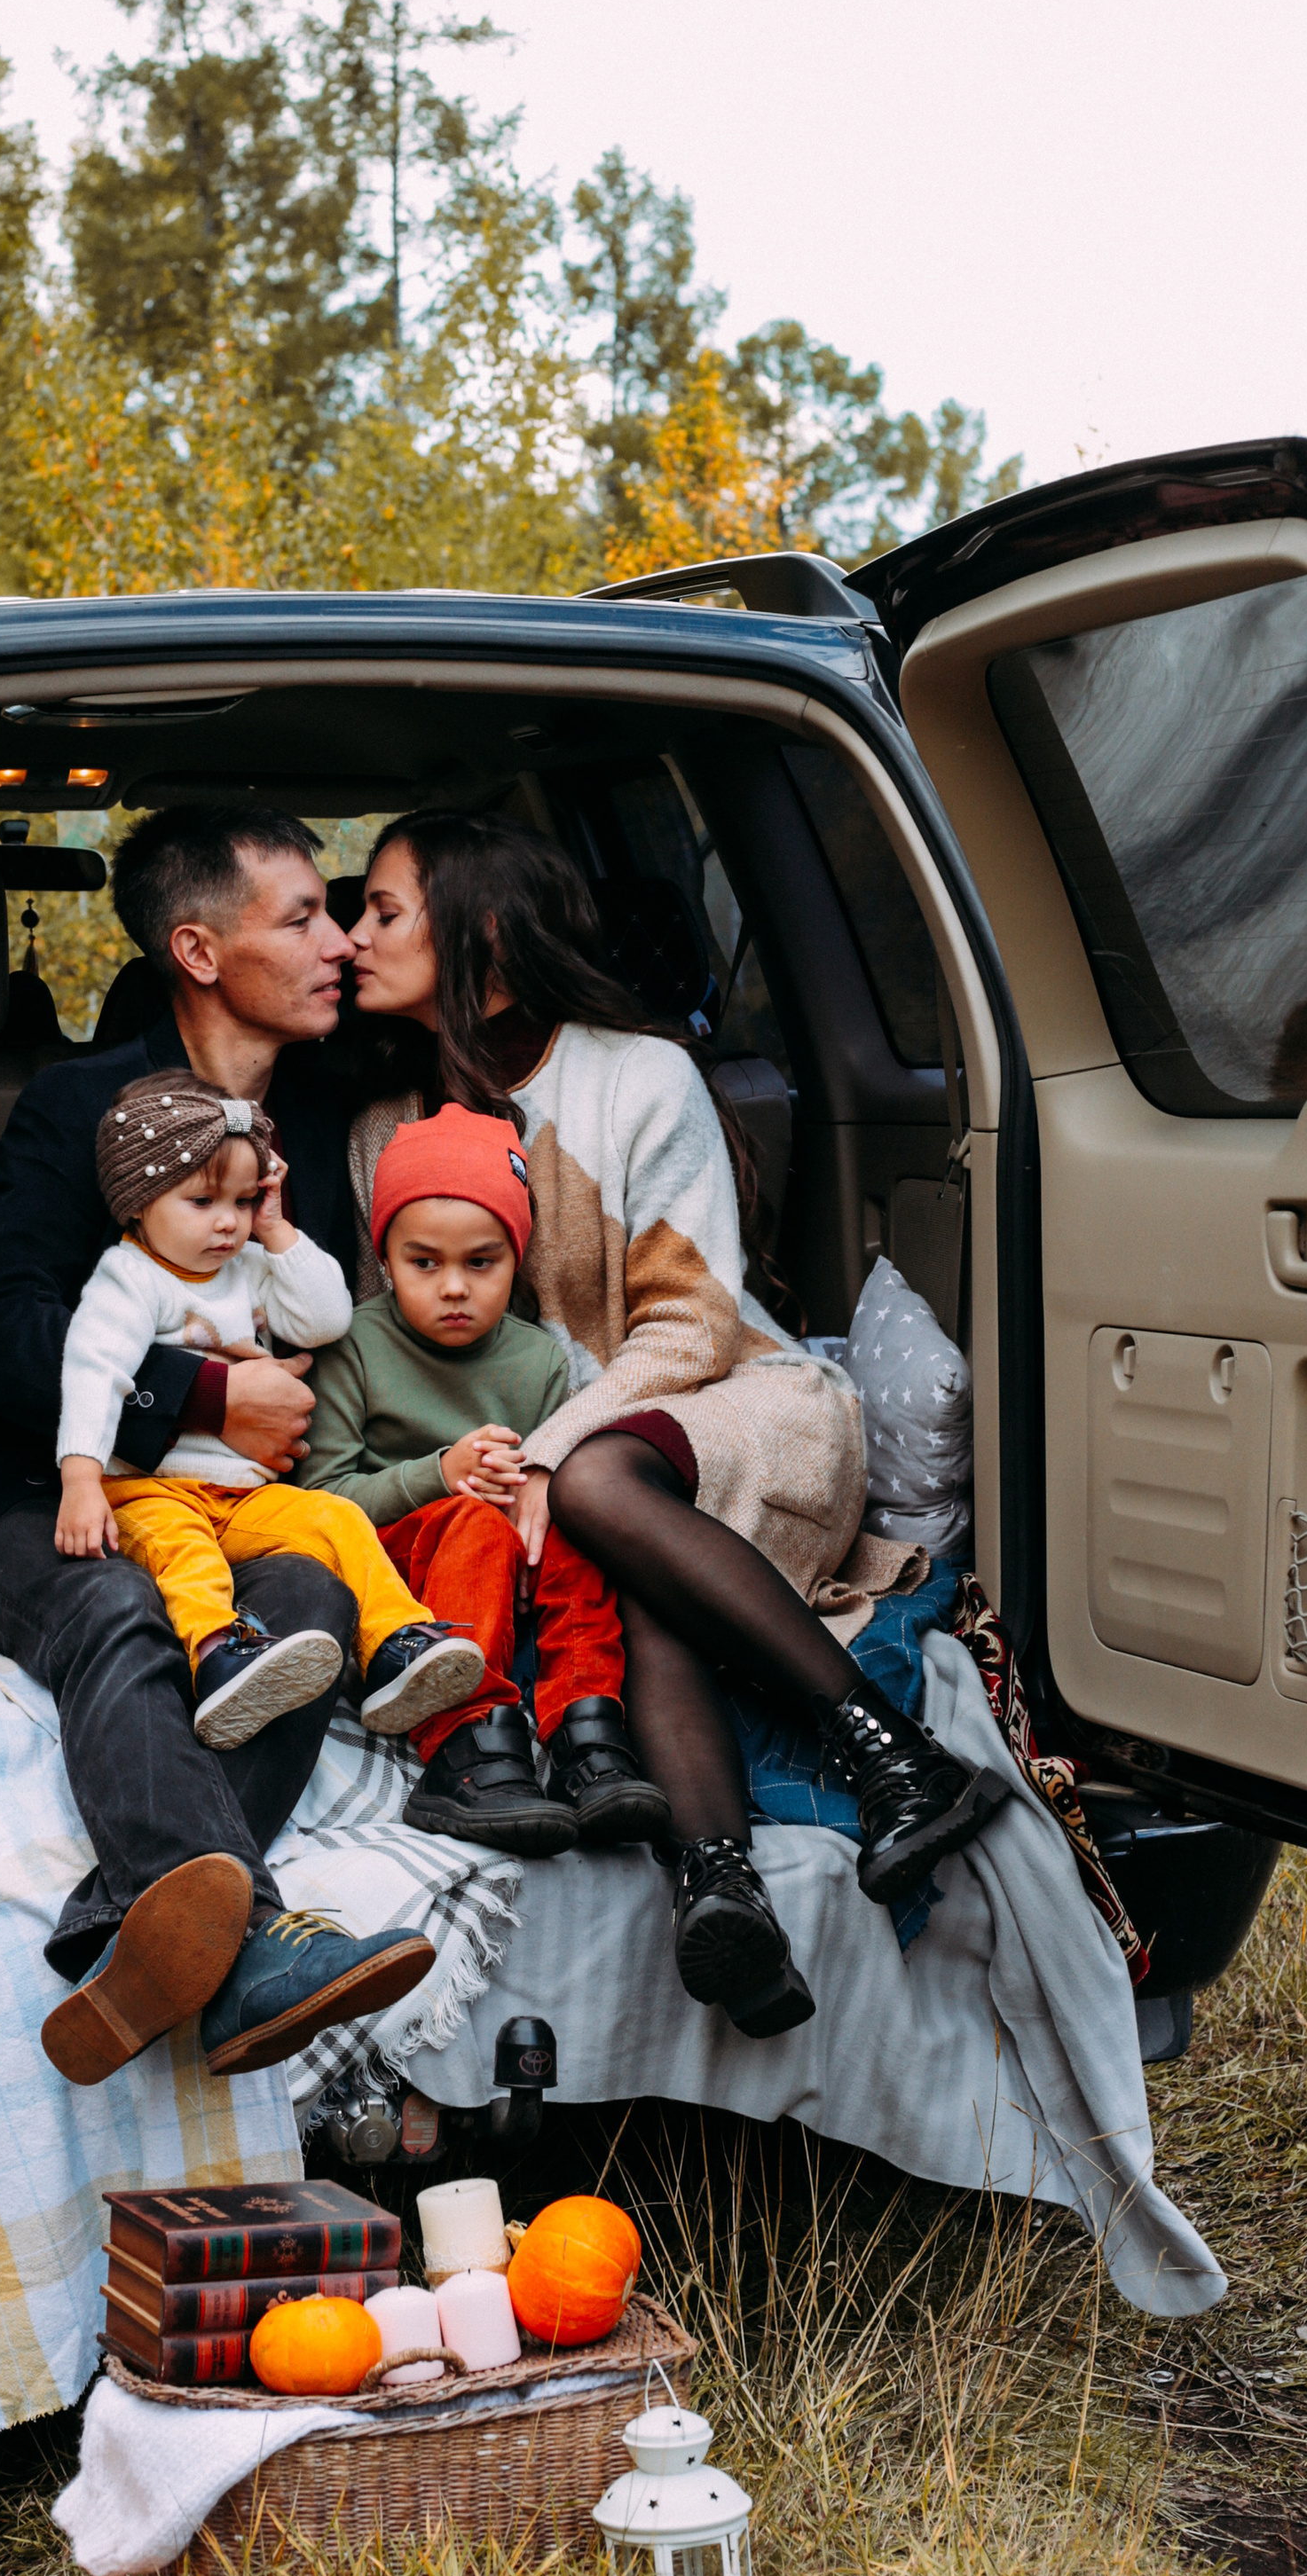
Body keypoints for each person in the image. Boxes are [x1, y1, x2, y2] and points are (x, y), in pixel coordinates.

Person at [345, 810, 999, 2041]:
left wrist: (544, 1455)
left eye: (382, 909)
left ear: (482, 929)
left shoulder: (637, 1079)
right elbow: (412, 1355)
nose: (353, 933)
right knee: (619, 1528)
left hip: (736, 1409)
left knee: (599, 1490)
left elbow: (692, 1331)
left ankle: (886, 1748)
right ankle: (722, 1884)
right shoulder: (384, 1134)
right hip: (584, 1470)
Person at [0, 803, 435, 2093]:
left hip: (230, 1504)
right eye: (303, 917)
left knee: (305, 1603)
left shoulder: (335, 1096)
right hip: (35, 1493)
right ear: (199, 952)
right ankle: (247, 1937)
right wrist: (199, 1394)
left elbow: (475, 993)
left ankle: (123, 1928)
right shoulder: (81, 1106)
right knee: (122, 1606)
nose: (338, 945)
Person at [54, 1064, 486, 1744]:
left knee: (338, 1522)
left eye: (243, 1199)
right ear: (139, 1200)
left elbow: (326, 1318)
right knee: (183, 1556)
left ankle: (396, 1646)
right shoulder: (131, 1277)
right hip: (148, 1492)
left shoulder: (248, 1264)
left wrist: (277, 1230)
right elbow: (90, 1370)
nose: (228, 1222)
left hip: (245, 1498)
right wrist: (80, 1481)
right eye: (202, 1202)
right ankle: (219, 1658)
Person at [303, 1102, 665, 1858]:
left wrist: (527, 1506)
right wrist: (442, 1475)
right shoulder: (358, 1346)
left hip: (503, 1565)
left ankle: (587, 1731)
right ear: (386, 1256)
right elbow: (323, 1503)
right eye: (423, 1263)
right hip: (397, 1568)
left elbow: (546, 1479)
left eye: (481, 1262)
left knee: (574, 1524)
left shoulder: (538, 1362)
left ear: (517, 1258)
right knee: (470, 1524)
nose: (454, 1288)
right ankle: (466, 1742)